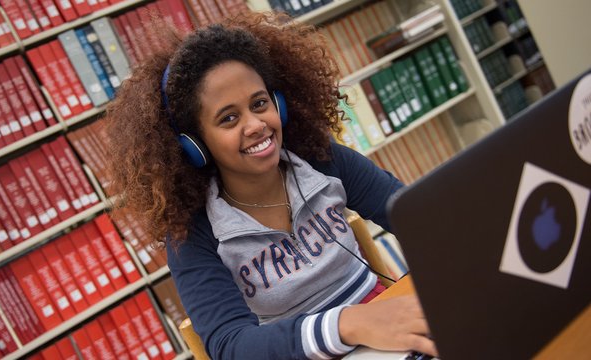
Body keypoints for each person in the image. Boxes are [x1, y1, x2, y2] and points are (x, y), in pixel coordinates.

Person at [104, 11, 438, 360]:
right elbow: (232, 346)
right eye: (228, 118)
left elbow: (419, 219)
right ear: (195, 145)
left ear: (279, 104)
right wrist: (347, 323)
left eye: (260, 104)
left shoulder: (324, 160)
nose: (255, 125)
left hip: (391, 335)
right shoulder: (193, 235)